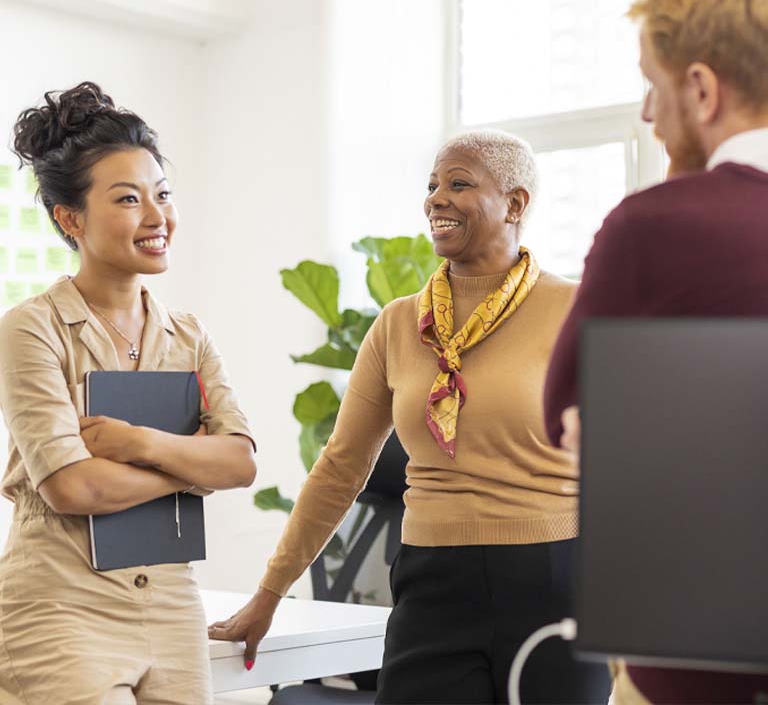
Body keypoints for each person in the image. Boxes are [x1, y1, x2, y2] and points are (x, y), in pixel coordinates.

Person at [209, 129, 610, 704]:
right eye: (431, 186)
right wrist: (268, 595)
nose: (435, 199)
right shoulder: (399, 325)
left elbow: (630, 461)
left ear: (516, 204)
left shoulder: (575, 310)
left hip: (552, 577)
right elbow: (340, 467)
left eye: (459, 183)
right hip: (432, 582)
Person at [543, 0, 768, 705]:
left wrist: (683, 187)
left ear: (702, 88)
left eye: (653, 82)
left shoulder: (655, 229)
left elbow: (567, 417)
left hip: (699, 671)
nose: (647, 112)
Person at [0, 82, 257, 705]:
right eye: (128, 199)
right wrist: (189, 466)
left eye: (162, 195)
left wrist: (135, 442)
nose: (156, 216)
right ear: (70, 218)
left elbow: (241, 462)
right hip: (60, 603)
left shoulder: (188, 334)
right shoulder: (30, 328)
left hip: (170, 601)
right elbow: (72, 487)